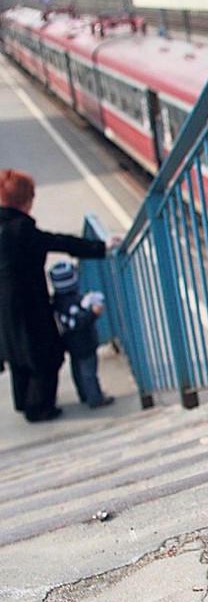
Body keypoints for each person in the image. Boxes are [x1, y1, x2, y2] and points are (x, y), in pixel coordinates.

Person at [0, 168, 111, 423]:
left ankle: (25, 404)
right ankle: (41, 408)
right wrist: (100, 247)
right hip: (29, 306)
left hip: (4, 309)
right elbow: (60, 242)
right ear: (27, 200)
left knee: (18, 358)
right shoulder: (22, 230)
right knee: (45, 356)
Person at [49, 261, 114, 409]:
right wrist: (93, 313)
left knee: (78, 370)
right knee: (89, 371)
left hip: (70, 342)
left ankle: (84, 394)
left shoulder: (58, 302)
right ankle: (95, 397)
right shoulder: (73, 302)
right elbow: (81, 321)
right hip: (85, 342)